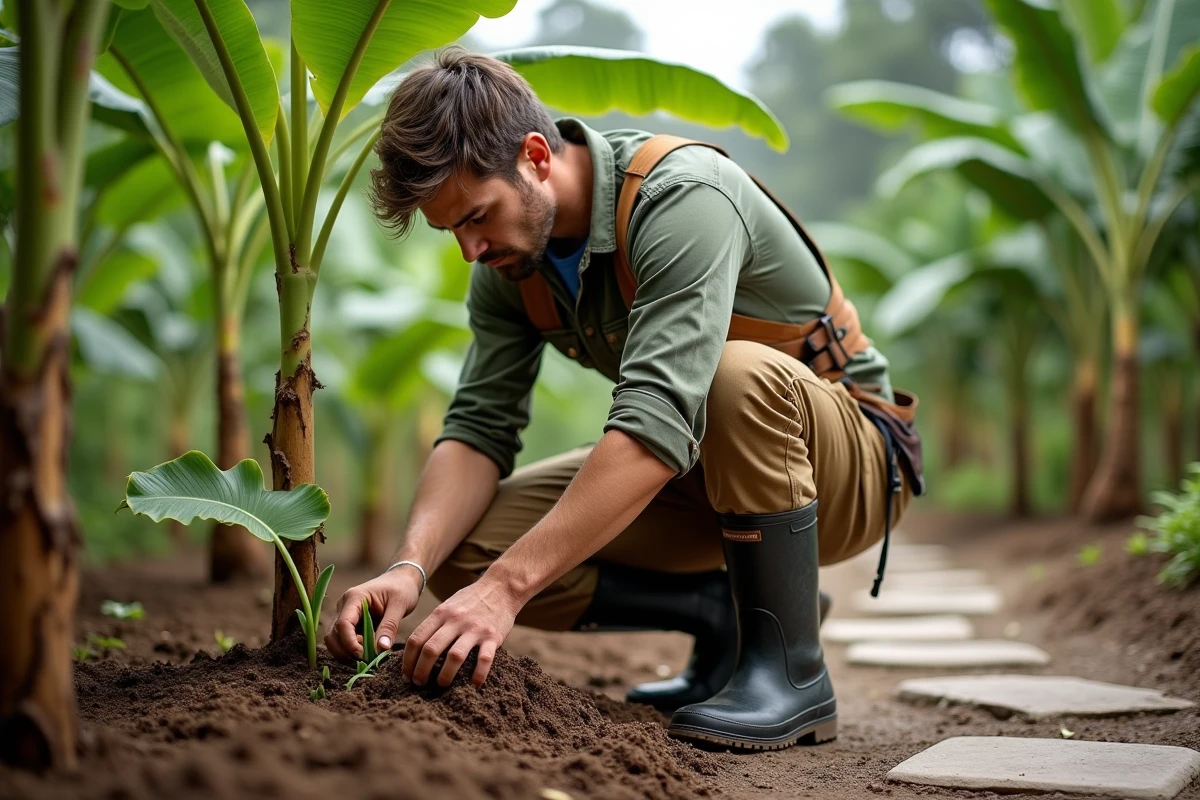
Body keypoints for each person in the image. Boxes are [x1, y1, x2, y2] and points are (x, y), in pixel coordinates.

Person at [325, 47, 922, 751]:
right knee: (469, 552)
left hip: (846, 467)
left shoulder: (683, 198)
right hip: (707, 470)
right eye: (451, 229)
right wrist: (411, 566)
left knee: (732, 374)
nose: (469, 250)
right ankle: (728, 615)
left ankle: (792, 674)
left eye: (477, 217)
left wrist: (506, 591)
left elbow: (657, 420)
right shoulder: (511, 264)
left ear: (536, 157)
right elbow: (478, 428)